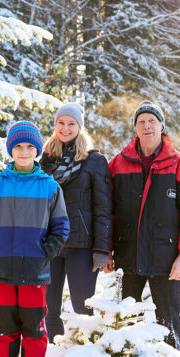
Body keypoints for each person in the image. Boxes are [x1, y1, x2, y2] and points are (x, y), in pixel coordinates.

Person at [0, 121, 69, 357]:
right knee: (4, 326)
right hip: (4, 268)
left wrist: (48, 250)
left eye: (30, 146)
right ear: (10, 150)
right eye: (18, 146)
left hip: (35, 270)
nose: (24, 151)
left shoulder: (49, 187)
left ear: (38, 150)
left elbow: (61, 226)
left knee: (33, 327)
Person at [105, 100, 180, 350]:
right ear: (136, 128)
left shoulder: (179, 164)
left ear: (161, 125)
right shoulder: (119, 163)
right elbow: (107, 212)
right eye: (141, 122)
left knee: (169, 322)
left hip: (166, 258)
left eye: (152, 121)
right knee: (125, 323)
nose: (146, 125)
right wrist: (105, 249)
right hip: (127, 256)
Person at [40, 103, 112, 343]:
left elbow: (103, 207)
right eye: (61, 122)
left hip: (81, 245)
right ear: (55, 125)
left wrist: (102, 249)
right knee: (49, 309)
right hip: (50, 244)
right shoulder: (46, 159)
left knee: (84, 308)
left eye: (71, 123)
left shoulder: (94, 160)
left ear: (80, 127)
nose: (65, 128)